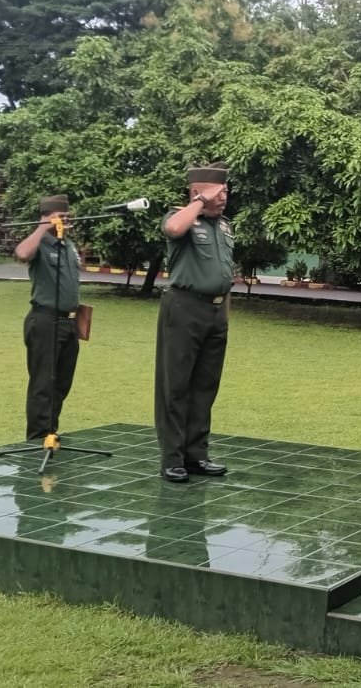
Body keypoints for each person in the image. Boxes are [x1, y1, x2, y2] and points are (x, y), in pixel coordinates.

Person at [155, 163, 236, 483]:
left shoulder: (224, 226)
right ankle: (172, 458)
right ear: (195, 193)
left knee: (205, 387)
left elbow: (224, 274)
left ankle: (196, 454)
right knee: (175, 386)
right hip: (184, 308)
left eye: (226, 192)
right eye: (218, 192)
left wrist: (223, 313)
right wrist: (201, 202)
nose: (223, 198)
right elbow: (174, 229)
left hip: (216, 313)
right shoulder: (181, 217)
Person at [14, 194, 82, 443]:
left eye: (67, 216)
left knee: (61, 382)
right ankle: (37, 438)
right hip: (45, 320)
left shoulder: (68, 245)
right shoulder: (39, 243)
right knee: (43, 383)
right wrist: (43, 227)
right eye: (61, 217)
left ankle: (50, 431)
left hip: (69, 322)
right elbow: (22, 253)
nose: (66, 221)